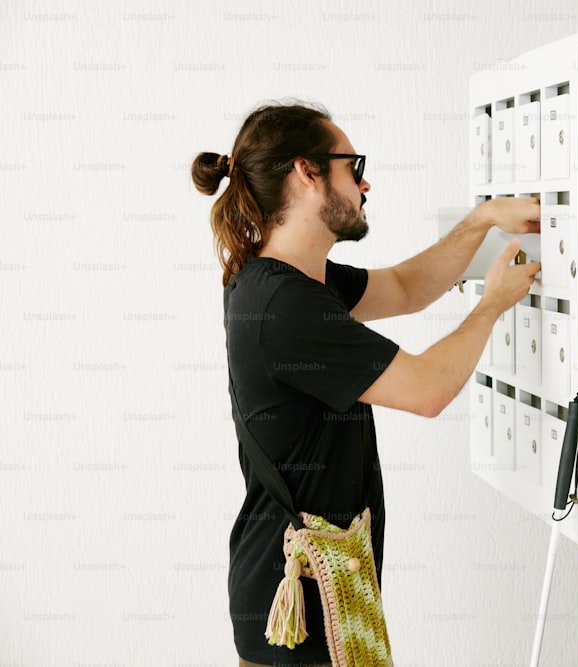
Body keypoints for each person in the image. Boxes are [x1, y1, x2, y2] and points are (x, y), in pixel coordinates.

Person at [190, 101, 541, 667]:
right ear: (307, 172)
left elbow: (405, 287)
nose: (365, 182)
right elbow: (427, 390)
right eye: (353, 167)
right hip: (300, 617)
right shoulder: (286, 305)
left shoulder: (280, 279)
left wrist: (483, 221)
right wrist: (492, 305)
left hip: (304, 595)